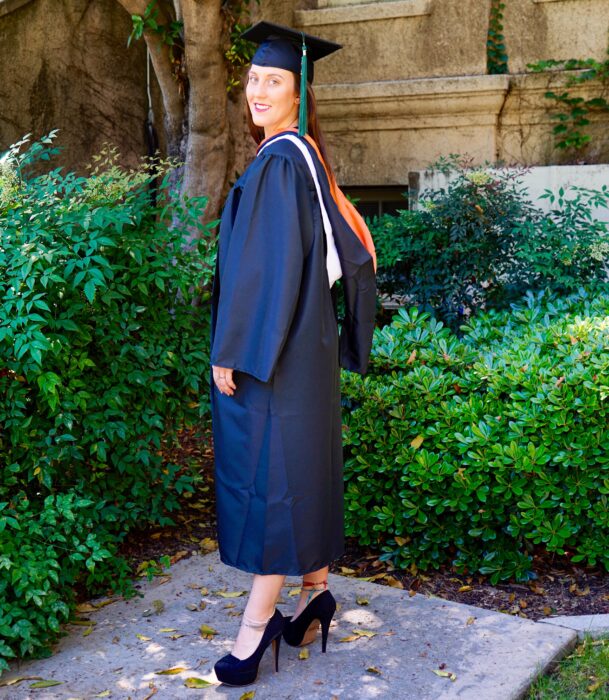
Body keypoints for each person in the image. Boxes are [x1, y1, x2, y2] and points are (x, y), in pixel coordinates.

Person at [209, 20, 377, 687]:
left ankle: (254, 633)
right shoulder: (303, 157)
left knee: (272, 486)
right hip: (301, 348)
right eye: (253, 78)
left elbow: (265, 271)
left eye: (272, 80)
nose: (257, 89)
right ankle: (314, 598)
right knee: (298, 473)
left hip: (270, 356)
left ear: (298, 93)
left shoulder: (280, 163)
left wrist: (231, 351)